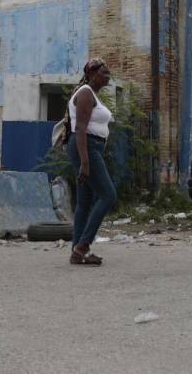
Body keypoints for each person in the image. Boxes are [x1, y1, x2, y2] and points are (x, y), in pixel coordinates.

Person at [66, 58, 117, 266]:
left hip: (89, 148)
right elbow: (80, 128)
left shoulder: (92, 94)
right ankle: (83, 245)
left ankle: (77, 252)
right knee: (108, 195)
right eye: (104, 72)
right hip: (86, 148)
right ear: (92, 74)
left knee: (85, 202)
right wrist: (85, 162)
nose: (107, 75)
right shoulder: (86, 93)